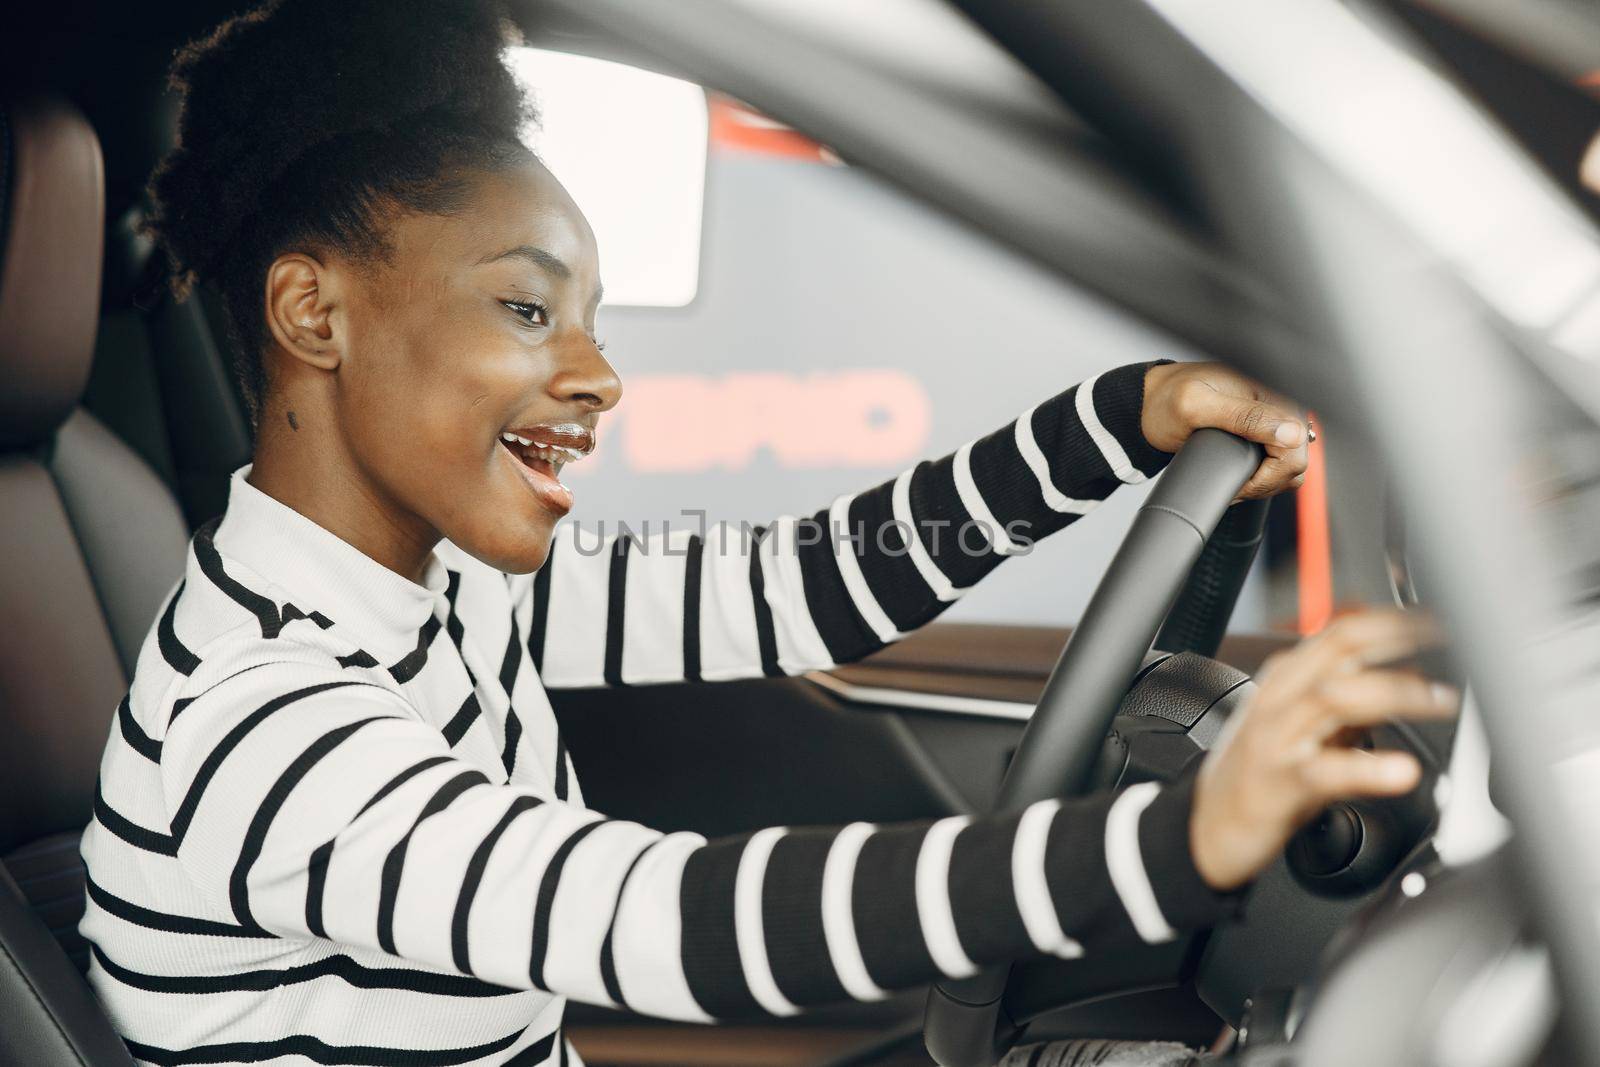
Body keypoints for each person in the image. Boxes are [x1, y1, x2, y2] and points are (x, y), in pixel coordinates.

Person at [77, 1, 1456, 1064]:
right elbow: (661, 923)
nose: (599, 374)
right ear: (314, 316)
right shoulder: (258, 726)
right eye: (524, 309)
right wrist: (1182, 838)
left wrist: (1130, 418)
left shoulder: (437, 586)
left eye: (592, 319)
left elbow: (796, 586)